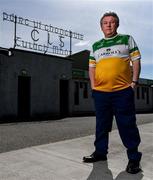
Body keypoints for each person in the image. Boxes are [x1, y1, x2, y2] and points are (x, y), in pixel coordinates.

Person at [83, 12, 142, 174]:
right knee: (101, 125)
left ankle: (134, 159)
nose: (108, 25)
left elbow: (136, 60)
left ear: (117, 25)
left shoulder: (126, 39)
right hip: (101, 93)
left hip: (122, 91)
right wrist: (94, 87)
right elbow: (92, 68)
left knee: (127, 125)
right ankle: (100, 153)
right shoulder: (96, 46)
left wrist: (134, 83)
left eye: (112, 22)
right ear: (101, 26)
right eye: (105, 23)